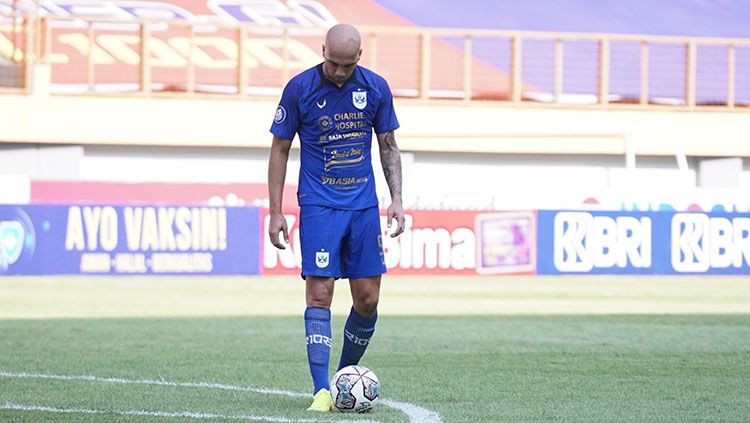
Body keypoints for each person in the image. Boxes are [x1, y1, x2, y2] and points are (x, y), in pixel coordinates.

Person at [267, 23, 405, 412]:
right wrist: (277, 211)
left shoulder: (375, 88)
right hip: (318, 206)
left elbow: (389, 146)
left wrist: (397, 200)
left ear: (359, 58)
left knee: (367, 298)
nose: (339, 72)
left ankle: (343, 378)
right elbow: (279, 149)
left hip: (362, 206)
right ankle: (320, 391)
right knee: (320, 293)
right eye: (333, 63)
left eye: (347, 66)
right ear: (322, 49)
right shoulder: (300, 89)